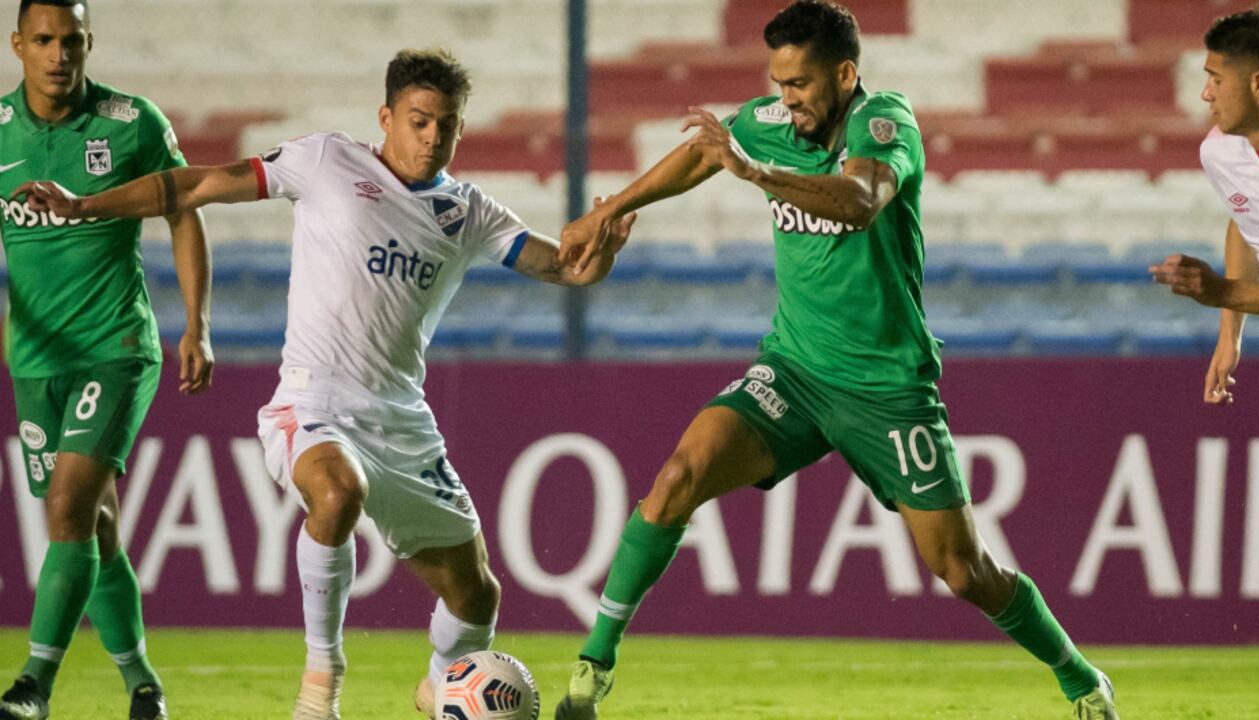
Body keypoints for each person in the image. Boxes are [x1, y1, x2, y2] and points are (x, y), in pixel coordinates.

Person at [15, 47, 634, 720]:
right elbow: (193, 185)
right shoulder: (328, 161)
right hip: (311, 401)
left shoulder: (466, 211)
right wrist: (87, 205)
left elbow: (564, 269)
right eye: (419, 121)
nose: (432, 138)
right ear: (387, 117)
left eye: (446, 126)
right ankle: (321, 687)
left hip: (400, 419)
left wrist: (598, 257)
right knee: (337, 493)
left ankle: (441, 693)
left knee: (476, 594)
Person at [551, 2, 1117, 719]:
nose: (788, 99)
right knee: (678, 476)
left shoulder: (885, 122)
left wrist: (755, 173)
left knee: (963, 571)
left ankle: (1079, 678)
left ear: (846, 74)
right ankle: (591, 671)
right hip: (795, 371)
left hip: (886, 389)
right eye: (779, 83)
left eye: (802, 84)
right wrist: (609, 211)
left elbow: (859, 199)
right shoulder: (773, 123)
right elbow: (704, 152)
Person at [0, 0, 213, 718]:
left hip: (116, 348)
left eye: (72, 41)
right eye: (44, 41)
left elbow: (184, 209)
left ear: (89, 43)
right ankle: (142, 682)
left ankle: (33, 684)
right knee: (93, 526)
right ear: (18, 45)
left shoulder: (132, 123)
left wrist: (197, 323)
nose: (59, 55)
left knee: (67, 508)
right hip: (34, 359)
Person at [1151, 3, 1259, 403]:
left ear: (1258, 84)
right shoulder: (1220, 152)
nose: (1206, 93)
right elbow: (1250, 222)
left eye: (1216, 79)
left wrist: (1222, 291)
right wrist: (1230, 335)